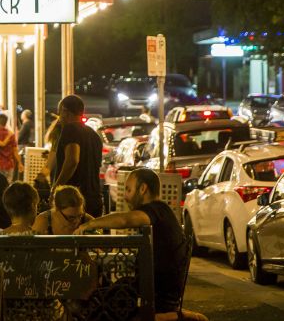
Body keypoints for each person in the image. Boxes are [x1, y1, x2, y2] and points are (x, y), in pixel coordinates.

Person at [74, 168, 187, 314]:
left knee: (98, 305)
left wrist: (89, 224)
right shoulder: (162, 210)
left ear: (142, 189)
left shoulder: (156, 210)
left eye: (128, 189)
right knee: (106, 291)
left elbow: (125, 219)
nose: (125, 196)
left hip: (157, 295)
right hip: (156, 288)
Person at [51, 95, 104, 217]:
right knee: (92, 235)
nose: (60, 118)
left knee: (70, 235)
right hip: (94, 199)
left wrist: (57, 187)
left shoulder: (70, 129)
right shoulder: (94, 135)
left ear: (65, 111)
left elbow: (72, 160)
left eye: (60, 113)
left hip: (74, 202)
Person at [0, 113, 22, 182]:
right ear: (6, 123)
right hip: (9, 164)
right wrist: (20, 162)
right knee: (8, 184)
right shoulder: (11, 135)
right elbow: (15, 150)